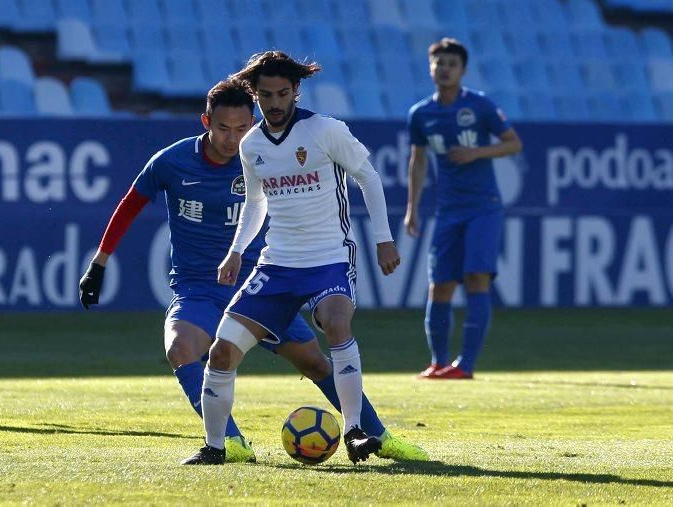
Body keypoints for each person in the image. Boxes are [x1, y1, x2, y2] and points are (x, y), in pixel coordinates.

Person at [78, 78, 427, 464]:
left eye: (241, 128)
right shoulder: (171, 162)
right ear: (205, 121)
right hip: (200, 290)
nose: (232, 139)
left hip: (261, 284)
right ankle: (230, 443)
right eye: (223, 128)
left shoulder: (263, 154)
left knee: (314, 363)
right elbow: (129, 205)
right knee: (181, 348)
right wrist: (99, 263)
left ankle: (378, 435)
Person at [181, 52, 405, 466]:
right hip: (277, 264)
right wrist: (236, 252)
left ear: (296, 91)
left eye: (283, 93)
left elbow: (368, 177)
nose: (275, 102)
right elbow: (255, 202)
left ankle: (355, 430)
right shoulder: (252, 144)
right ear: (256, 96)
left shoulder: (324, 130)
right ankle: (216, 447)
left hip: (328, 257)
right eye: (266, 95)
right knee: (221, 353)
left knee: (337, 324)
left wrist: (383, 239)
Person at [404, 38, 523, 380]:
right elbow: (418, 161)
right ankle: (438, 362)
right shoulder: (421, 114)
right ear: (430, 67)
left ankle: (465, 365)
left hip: (484, 206)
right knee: (439, 284)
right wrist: (412, 208)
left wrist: (477, 153)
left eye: (451, 64)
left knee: (476, 278)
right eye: (439, 63)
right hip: (448, 210)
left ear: (463, 70)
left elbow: (514, 143)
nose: (444, 69)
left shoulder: (481, 106)